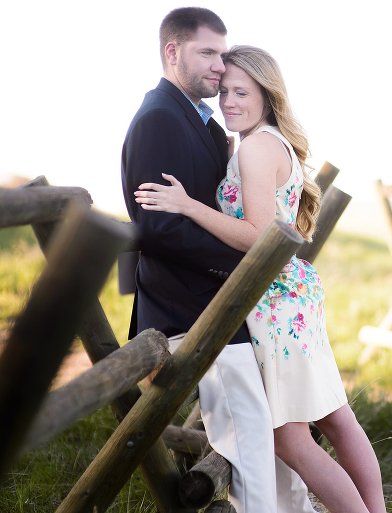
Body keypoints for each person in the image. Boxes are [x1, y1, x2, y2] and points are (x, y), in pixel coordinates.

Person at [133, 45, 387, 513]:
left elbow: (256, 237)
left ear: (267, 95)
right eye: (224, 91)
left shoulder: (257, 147)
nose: (228, 100)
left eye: (241, 92)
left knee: (289, 438)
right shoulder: (264, 141)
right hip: (291, 294)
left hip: (273, 302)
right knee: (335, 417)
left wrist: (190, 206)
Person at [121, 8, 316, 513]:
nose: (217, 66)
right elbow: (159, 229)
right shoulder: (160, 119)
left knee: (272, 436)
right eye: (207, 53)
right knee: (250, 438)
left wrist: (245, 272)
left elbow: (213, 210)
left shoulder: (204, 123)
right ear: (173, 51)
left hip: (229, 306)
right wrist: (247, 265)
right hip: (190, 310)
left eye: (221, 55)